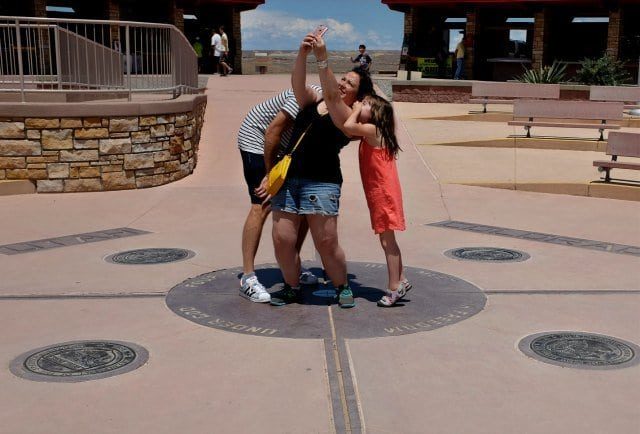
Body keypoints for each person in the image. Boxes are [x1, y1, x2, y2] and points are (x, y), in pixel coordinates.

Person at [267, 32, 374, 308]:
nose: (342, 84)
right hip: (290, 177)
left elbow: (332, 96)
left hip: (322, 182)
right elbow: (297, 84)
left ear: (357, 96)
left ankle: (342, 286)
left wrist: (323, 57)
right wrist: (303, 53)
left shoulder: (348, 117)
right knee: (282, 239)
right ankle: (292, 286)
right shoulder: (313, 100)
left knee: (326, 242)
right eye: (343, 78)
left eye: (349, 84)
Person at [238, 88, 323, 302]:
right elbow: (272, 132)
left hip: (287, 148)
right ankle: (247, 278)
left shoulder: (337, 110)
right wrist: (270, 175)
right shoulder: (306, 96)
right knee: (262, 204)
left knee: (300, 205)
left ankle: (290, 264)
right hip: (257, 138)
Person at [343, 95, 412, 307]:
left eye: (365, 105)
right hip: (381, 192)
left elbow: (348, 125)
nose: (360, 105)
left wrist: (354, 109)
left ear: (375, 114)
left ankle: (394, 288)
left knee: (387, 241)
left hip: (384, 193)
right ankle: (401, 279)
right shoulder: (374, 131)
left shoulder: (372, 131)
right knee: (388, 239)